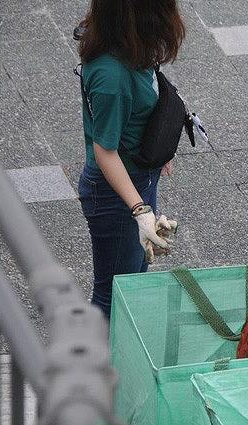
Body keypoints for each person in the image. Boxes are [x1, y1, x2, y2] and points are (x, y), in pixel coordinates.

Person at [76, 0, 185, 319]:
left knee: (133, 281)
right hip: (116, 196)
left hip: (138, 179)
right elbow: (104, 151)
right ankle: (98, 366)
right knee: (113, 294)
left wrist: (157, 147)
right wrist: (140, 210)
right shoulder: (111, 78)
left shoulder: (132, 44)